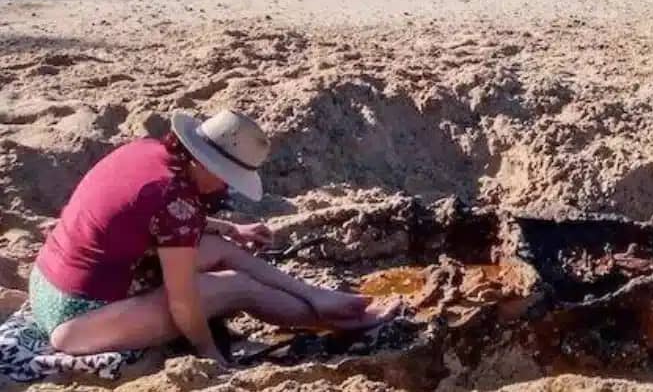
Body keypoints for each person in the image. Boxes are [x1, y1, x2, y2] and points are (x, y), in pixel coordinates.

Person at [29, 109, 399, 366]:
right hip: (76, 323)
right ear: (204, 163)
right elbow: (183, 304)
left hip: (48, 284)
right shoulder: (176, 203)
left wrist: (231, 230)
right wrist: (212, 356)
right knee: (237, 286)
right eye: (226, 177)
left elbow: (146, 215)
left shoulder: (148, 152)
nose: (224, 187)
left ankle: (319, 298)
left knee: (221, 248)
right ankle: (343, 321)